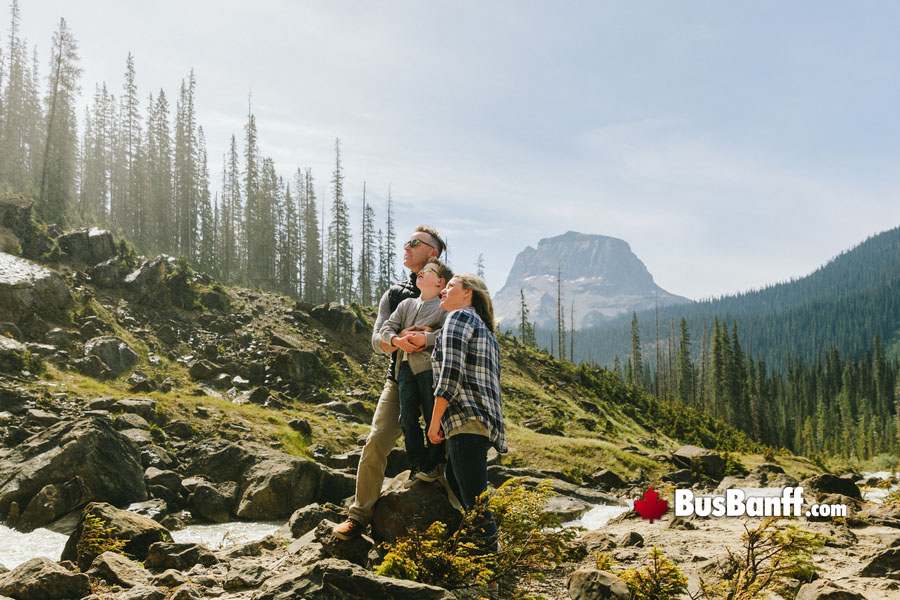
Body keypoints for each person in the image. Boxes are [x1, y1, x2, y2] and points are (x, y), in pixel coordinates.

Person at [333, 225, 447, 540]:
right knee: (376, 441)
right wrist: (397, 340)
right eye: (406, 242)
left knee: (446, 442)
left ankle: (458, 511)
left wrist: (427, 338)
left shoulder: (451, 289)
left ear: (432, 253)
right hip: (398, 381)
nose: (406, 247)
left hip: (444, 385)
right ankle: (359, 515)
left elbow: (466, 330)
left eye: (415, 243)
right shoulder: (396, 294)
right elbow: (376, 338)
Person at [427, 273, 507, 553]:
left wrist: (435, 422)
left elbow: (450, 374)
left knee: (476, 503)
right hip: (480, 422)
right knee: (457, 482)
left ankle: (491, 571)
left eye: (450, 287)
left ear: (468, 292)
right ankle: (480, 551)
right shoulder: (484, 329)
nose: (443, 291)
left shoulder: (459, 318)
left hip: (465, 420)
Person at [379, 257, 454, 485]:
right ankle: (417, 465)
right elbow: (385, 329)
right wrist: (397, 340)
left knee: (433, 416)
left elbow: (450, 334)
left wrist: (428, 338)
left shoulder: (444, 308)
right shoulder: (406, 305)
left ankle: (434, 463)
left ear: (440, 282)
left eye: (428, 271)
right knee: (406, 418)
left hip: (430, 371)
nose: (420, 272)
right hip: (404, 370)